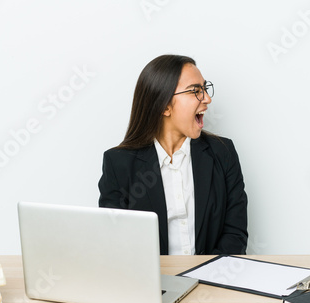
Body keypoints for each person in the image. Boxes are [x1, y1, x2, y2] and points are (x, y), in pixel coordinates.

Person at [98, 54, 248, 255]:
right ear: (164, 106)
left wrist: (209, 278)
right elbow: (115, 243)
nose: (207, 98)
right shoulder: (118, 164)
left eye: (205, 88)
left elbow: (235, 235)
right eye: (195, 90)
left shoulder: (223, 152)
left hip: (213, 279)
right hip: (150, 282)